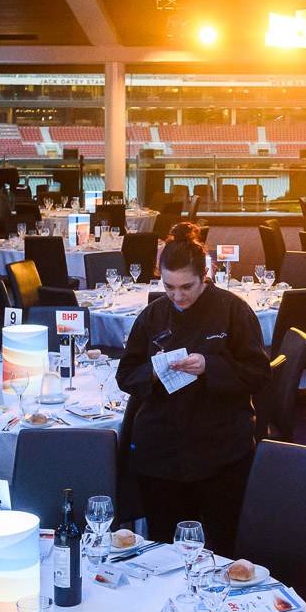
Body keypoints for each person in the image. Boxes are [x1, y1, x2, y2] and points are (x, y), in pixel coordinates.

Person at [117, 232, 271, 554]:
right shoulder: (153, 315)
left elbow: (259, 373)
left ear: (205, 276)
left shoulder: (233, 311)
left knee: (225, 549)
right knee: (165, 551)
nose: (178, 296)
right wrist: (155, 371)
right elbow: (126, 375)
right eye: (169, 287)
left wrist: (209, 366)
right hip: (161, 454)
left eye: (186, 286)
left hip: (221, 451)